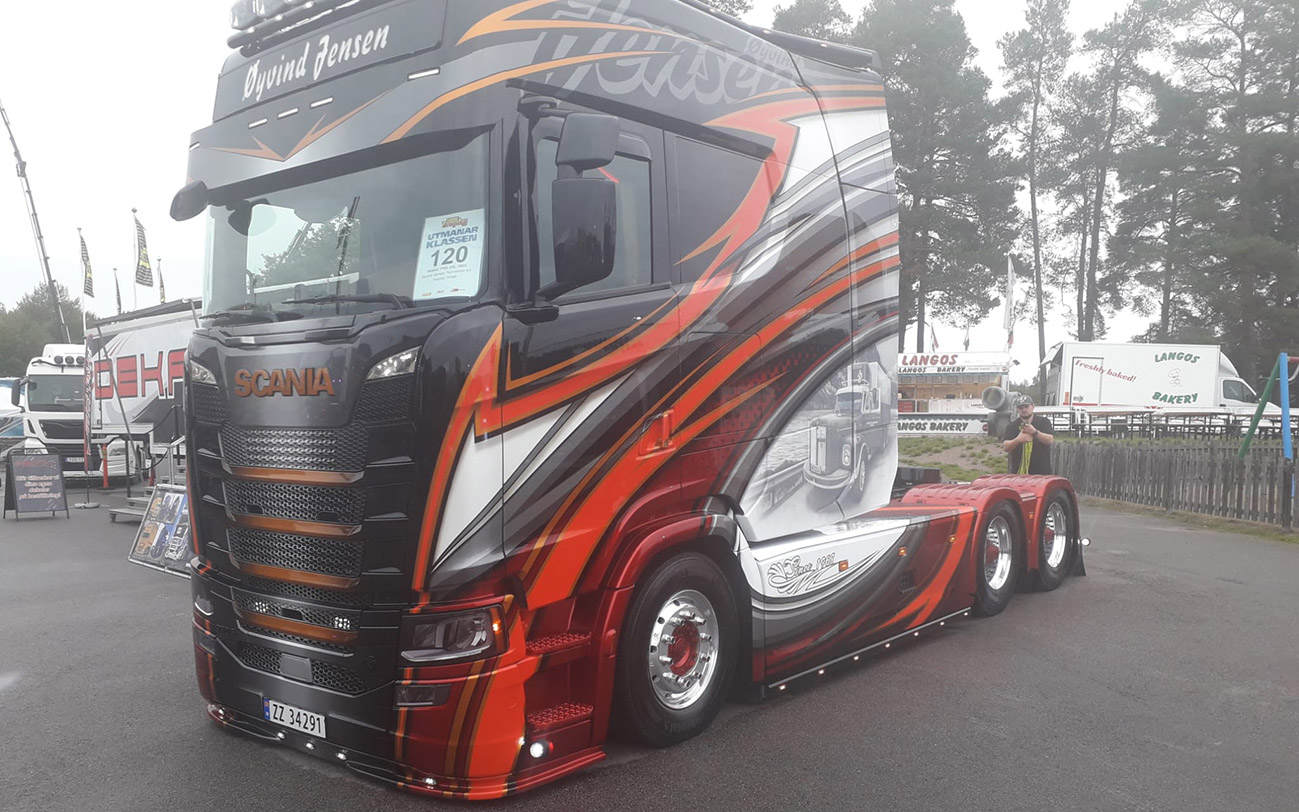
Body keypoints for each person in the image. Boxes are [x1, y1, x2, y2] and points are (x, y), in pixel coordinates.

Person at [1002, 393, 1054, 474]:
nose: (1024, 410)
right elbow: (1006, 447)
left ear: (1033, 406)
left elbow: (1050, 440)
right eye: (1021, 408)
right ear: (1017, 409)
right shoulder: (1012, 426)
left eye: (1026, 406)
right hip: (1018, 473)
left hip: (1042, 473)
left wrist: (1035, 432)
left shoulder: (1043, 422)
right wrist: (1018, 440)